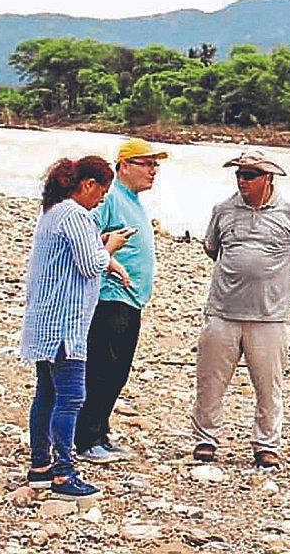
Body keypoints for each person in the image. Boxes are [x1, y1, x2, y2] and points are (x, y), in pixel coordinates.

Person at [192, 150, 290, 468]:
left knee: (268, 385)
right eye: (239, 174)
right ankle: (205, 440)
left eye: (249, 175)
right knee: (209, 381)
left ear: (267, 178)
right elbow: (212, 247)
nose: (242, 181)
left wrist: (278, 277)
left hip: (269, 317)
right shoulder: (223, 209)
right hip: (222, 311)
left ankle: (266, 444)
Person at [20, 156, 132, 499]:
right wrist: (110, 248)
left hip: (45, 319)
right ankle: (63, 474)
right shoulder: (75, 215)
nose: (101, 200)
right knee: (71, 397)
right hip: (65, 324)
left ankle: (40, 467)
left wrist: (103, 248)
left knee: (47, 394)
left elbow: (79, 255)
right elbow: (89, 264)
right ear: (88, 185)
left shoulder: (53, 211)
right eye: (102, 192)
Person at [75, 138, 169, 464]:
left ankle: (100, 431)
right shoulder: (111, 197)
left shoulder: (133, 201)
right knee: (102, 369)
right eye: (147, 164)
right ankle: (86, 438)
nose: (153, 171)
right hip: (110, 297)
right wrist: (108, 258)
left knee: (117, 372)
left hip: (131, 300)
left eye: (156, 165)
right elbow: (84, 233)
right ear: (125, 166)